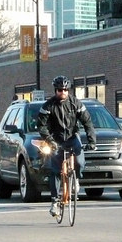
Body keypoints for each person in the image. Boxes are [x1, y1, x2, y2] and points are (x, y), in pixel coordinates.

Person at [37, 75, 96, 218]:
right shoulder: (49, 105)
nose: (62, 92)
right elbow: (41, 125)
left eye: (64, 89)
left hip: (72, 137)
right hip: (55, 139)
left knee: (80, 161)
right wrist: (50, 140)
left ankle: (75, 179)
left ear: (68, 90)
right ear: (55, 90)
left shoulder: (76, 103)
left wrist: (91, 140)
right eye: (59, 89)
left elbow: (87, 122)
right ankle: (54, 202)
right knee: (55, 171)